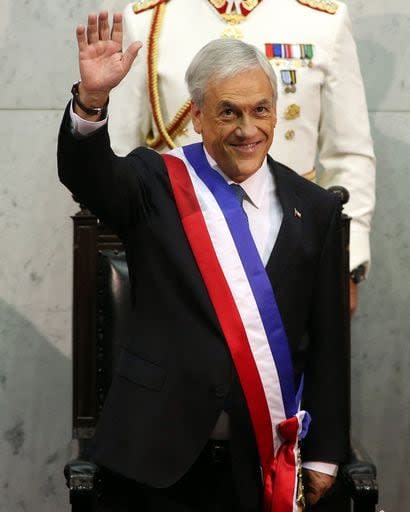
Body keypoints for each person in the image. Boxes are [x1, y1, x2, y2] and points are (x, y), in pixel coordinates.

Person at [59, 11, 347, 511]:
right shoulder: (155, 181)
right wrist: (92, 102)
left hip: (261, 461)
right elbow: (89, 175)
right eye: (229, 112)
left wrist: (324, 455)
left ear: (277, 113)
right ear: (196, 116)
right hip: (155, 457)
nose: (247, 130)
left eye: (261, 111)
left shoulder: (316, 209)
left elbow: (328, 341)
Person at [109, 0, 376, 314]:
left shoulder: (321, 21)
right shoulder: (149, 21)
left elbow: (348, 155)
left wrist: (346, 263)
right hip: (180, 249)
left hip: (290, 243)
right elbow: (120, 153)